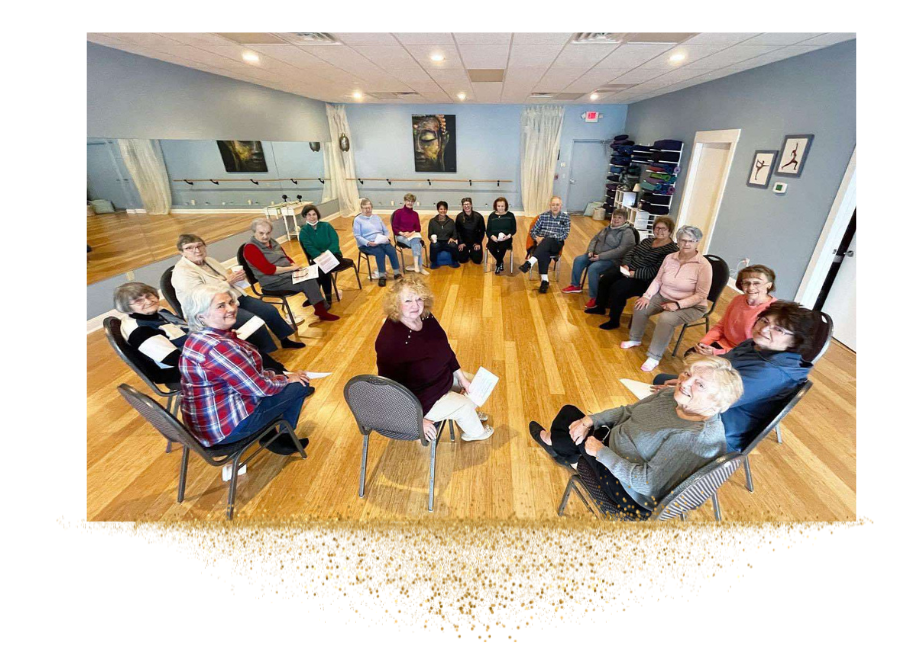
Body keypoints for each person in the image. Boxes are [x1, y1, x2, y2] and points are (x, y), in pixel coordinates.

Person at [529, 355, 742, 519]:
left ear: (718, 404)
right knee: (575, 419)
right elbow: (628, 412)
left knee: (568, 419)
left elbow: (646, 484)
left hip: (630, 493)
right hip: (615, 445)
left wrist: (600, 452)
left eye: (700, 384)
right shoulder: (672, 396)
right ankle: (566, 449)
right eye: (687, 373)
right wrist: (590, 421)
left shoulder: (693, 437)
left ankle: (564, 450)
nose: (684, 382)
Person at [652, 301, 823, 452]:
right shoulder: (754, 344)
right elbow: (719, 369)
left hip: (724, 425)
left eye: (778, 329)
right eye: (764, 321)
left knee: (659, 401)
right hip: (715, 397)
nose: (764, 329)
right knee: (661, 381)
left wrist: (680, 389)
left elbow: (717, 402)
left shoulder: (771, 372)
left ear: (795, 341)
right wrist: (686, 381)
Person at [179, 282, 314, 456]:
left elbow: (247, 376)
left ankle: (272, 432)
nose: (231, 308)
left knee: (284, 380)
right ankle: (280, 438)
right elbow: (260, 388)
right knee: (300, 385)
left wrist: (279, 376)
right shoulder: (219, 347)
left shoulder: (196, 338)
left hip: (206, 424)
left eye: (230, 302)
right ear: (200, 316)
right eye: (221, 306)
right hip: (225, 430)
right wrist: (288, 379)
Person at [375, 276, 493, 442]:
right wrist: (416, 420)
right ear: (395, 304)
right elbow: (389, 388)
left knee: (475, 383)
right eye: (408, 301)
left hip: (438, 379)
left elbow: (445, 349)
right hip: (419, 399)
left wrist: (463, 380)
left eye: (419, 299)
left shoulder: (426, 317)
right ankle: (475, 433)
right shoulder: (390, 341)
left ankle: (464, 413)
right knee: (466, 405)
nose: (415, 306)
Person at [113, 282, 287, 386]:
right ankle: (273, 384)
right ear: (126, 307)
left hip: (192, 351)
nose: (148, 301)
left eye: (149, 295)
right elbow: (174, 360)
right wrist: (214, 350)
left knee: (239, 343)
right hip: (178, 369)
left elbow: (186, 328)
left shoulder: (159, 311)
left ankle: (280, 375)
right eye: (138, 301)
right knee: (235, 354)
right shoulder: (139, 330)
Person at [171, 233, 307, 352]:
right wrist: (228, 282)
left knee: (268, 310)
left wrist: (237, 278)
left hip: (232, 297)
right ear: (181, 252)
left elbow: (226, 279)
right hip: (211, 309)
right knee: (252, 321)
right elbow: (200, 296)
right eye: (189, 248)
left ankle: (284, 339)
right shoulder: (182, 272)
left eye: (199, 245)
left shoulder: (210, 261)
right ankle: (266, 352)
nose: (196, 250)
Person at [622, 225, 712, 372]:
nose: (687, 244)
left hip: (692, 305)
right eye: (683, 240)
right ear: (677, 241)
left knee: (666, 319)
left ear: (697, 243)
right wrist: (646, 296)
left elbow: (702, 295)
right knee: (640, 305)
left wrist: (677, 305)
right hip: (664, 295)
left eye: (691, 241)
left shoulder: (703, 265)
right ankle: (635, 338)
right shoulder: (670, 257)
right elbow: (657, 280)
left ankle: (654, 356)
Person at [242, 218, 340, 322]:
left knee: (313, 274)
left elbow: (285, 256)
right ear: (254, 232)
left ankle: (318, 304)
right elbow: (269, 270)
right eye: (261, 233)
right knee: (307, 281)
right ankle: (321, 310)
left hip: (286, 274)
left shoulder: (272, 241)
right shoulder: (250, 248)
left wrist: (295, 265)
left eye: (268, 233)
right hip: (273, 282)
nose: (265, 236)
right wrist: (292, 268)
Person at [588, 217, 678, 326]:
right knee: (605, 279)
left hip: (644, 280)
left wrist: (633, 274)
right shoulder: (647, 241)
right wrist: (625, 265)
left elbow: (656, 270)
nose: (659, 231)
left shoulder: (671, 250)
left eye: (664, 229)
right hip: (628, 269)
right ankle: (600, 307)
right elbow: (631, 252)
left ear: (670, 231)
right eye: (657, 228)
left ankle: (614, 320)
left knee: (618, 288)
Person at [684, 264, 777, 356]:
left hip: (744, 354)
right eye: (746, 283)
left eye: (757, 283)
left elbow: (756, 349)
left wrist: (716, 352)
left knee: (701, 367)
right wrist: (704, 343)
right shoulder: (738, 299)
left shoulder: (773, 311)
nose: (751, 288)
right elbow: (721, 326)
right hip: (723, 344)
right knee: (691, 354)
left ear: (769, 285)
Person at [562, 208, 637, 297]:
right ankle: (575, 285)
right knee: (579, 260)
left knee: (594, 268)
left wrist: (600, 256)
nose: (616, 220)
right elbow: (595, 239)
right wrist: (590, 251)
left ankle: (595, 297)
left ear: (625, 220)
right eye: (614, 217)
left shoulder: (627, 233)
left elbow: (620, 251)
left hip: (612, 260)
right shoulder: (607, 228)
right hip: (596, 255)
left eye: (619, 218)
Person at [298, 204, 354, 304]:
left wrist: (327, 254)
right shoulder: (304, 231)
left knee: (322, 269)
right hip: (317, 258)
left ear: (317, 215)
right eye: (309, 215)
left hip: (334, 255)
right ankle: (322, 297)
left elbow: (335, 241)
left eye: (314, 214)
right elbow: (309, 247)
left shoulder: (326, 226)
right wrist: (320, 256)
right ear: (305, 217)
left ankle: (315, 297)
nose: (312, 217)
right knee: (323, 269)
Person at [519, 196, 571, 294]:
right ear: (550, 205)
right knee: (544, 252)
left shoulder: (565, 218)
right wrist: (537, 238)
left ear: (561, 206)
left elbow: (565, 235)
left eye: (557, 205)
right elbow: (533, 231)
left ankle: (530, 262)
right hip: (542, 244)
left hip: (557, 243)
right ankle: (545, 281)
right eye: (553, 205)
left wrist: (549, 237)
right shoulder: (543, 216)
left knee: (547, 240)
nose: (555, 207)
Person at [353, 198, 403, 287]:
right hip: (367, 244)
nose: (368, 210)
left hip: (380, 240)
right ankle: (382, 276)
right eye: (365, 208)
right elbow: (357, 236)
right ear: (361, 209)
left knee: (392, 250)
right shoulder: (358, 220)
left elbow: (385, 230)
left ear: (371, 207)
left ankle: (396, 273)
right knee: (380, 253)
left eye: (369, 208)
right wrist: (368, 242)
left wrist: (386, 237)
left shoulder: (377, 217)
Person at [392, 193, 428, 275]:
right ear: (405, 201)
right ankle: (419, 267)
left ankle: (416, 266)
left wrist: (411, 233)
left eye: (412, 201)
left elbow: (418, 228)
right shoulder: (398, 212)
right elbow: (394, 227)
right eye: (408, 201)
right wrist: (403, 233)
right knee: (417, 243)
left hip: (412, 235)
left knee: (415, 241)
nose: (410, 203)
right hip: (401, 236)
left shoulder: (415, 214)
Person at [485, 197, 516, 274]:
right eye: (499, 206)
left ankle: (498, 264)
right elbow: (488, 230)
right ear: (496, 206)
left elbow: (513, 229)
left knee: (502, 246)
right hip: (494, 238)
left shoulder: (510, 215)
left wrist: (508, 236)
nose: (500, 208)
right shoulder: (492, 216)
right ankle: (500, 261)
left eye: (502, 206)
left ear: (505, 206)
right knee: (490, 246)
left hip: (506, 238)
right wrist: (492, 237)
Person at [427, 201, 460, 268]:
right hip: (437, 242)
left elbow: (455, 234)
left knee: (453, 245)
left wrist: (452, 238)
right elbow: (429, 234)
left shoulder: (451, 221)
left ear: (447, 210)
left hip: (447, 242)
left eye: (445, 209)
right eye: (441, 209)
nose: (443, 211)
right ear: (438, 210)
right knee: (434, 246)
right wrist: (432, 239)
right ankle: (434, 262)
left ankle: (454, 260)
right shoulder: (432, 221)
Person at [455, 198, 485, 265]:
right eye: (464, 204)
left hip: (475, 242)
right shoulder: (459, 217)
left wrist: (478, 242)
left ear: (471, 205)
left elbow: (482, 231)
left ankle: (472, 252)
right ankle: (467, 252)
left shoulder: (479, 217)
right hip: (464, 242)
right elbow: (457, 231)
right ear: (462, 206)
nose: (466, 206)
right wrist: (461, 243)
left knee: (477, 260)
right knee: (462, 260)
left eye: (468, 204)